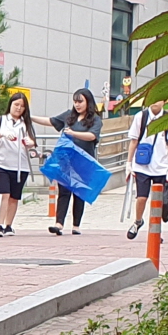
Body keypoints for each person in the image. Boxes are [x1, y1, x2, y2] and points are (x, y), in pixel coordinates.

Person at [47, 88, 102, 235]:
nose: (77, 105)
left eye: (80, 101)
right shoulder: (69, 116)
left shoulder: (95, 119)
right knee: (63, 191)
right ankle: (59, 224)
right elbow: (51, 121)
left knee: (79, 192)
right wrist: (28, 117)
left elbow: (92, 136)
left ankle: (76, 225)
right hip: (66, 160)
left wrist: (73, 133)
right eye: (75, 101)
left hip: (84, 161)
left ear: (88, 102)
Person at [126, 101, 168, 239]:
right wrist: (128, 163)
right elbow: (133, 141)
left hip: (161, 167)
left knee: (158, 201)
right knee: (141, 198)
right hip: (142, 166)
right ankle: (138, 221)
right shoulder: (141, 117)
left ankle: (155, 230)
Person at [0, 92, 37, 236]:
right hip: (2, 163)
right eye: (16, 104)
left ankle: (8, 224)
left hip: (20, 166)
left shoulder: (26, 123)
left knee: (14, 197)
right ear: (10, 104)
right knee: (4, 194)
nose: (18, 108)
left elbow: (32, 142)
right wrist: (2, 134)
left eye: (22, 106)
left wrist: (30, 143)